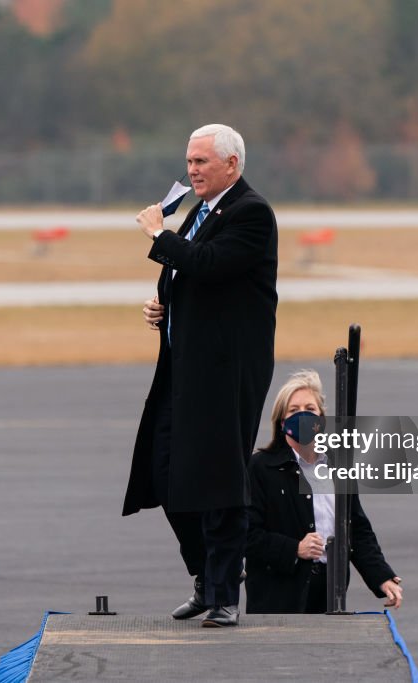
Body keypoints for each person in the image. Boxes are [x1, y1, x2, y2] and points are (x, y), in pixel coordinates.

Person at [123, 124, 278, 627]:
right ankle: (204, 578)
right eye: (189, 162)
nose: (191, 171)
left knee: (219, 480)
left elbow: (210, 264)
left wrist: (157, 234)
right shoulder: (200, 212)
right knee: (166, 473)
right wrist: (164, 305)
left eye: (201, 162)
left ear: (232, 164)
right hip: (183, 369)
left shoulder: (251, 213)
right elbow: (187, 275)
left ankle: (225, 595)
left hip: (225, 374)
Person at [245, 369, 403, 613]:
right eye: (294, 410)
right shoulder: (261, 467)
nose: (303, 416)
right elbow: (245, 533)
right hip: (278, 597)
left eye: (310, 409)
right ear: (282, 420)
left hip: (330, 594)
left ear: (321, 418)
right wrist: (294, 549)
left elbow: (356, 529)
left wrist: (381, 576)